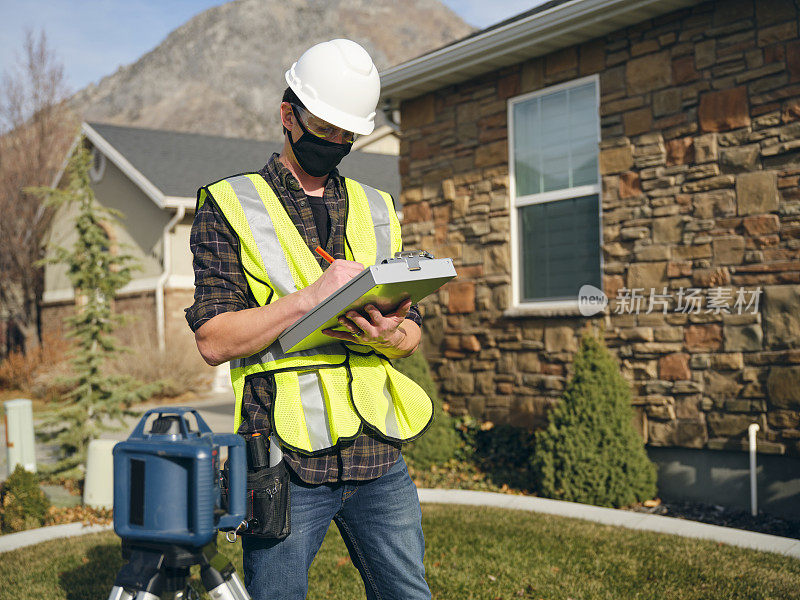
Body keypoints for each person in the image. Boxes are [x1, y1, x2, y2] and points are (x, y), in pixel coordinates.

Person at [186, 39, 433, 600]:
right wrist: (310, 298)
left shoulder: (378, 208)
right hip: (286, 462)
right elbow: (213, 338)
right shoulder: (229, 206)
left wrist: (390, 333)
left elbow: (413, 335)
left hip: (378, 453)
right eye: (325, 128)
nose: (336, 143)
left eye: (348, 135)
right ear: (287, 116)